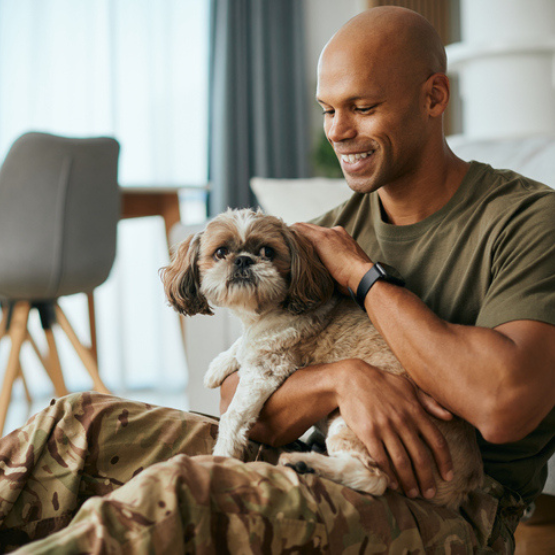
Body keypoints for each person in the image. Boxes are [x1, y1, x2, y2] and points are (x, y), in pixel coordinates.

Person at [0, 6, 554, 554]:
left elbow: (504, 404)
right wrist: (343, 379)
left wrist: (364, 278)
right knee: (77, 422)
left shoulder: (527, 219)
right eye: (328, 109)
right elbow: (239, 400)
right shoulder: (327, 232)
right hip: (324, 454)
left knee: (192, 493)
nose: (338, 131)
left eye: (362, 107)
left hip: (451, 506)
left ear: (434, 96)